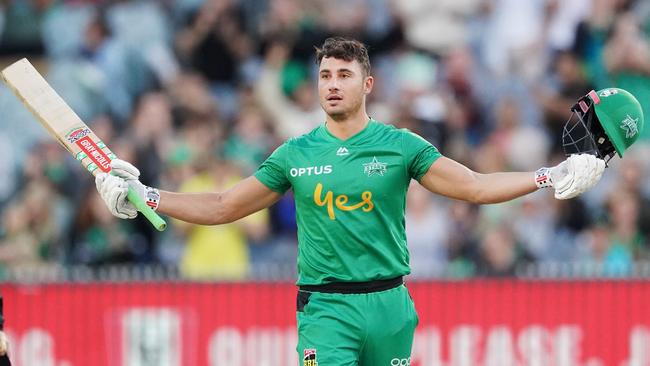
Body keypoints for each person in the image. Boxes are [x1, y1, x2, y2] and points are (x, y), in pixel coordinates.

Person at [95, 37, 642, 365]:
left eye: (344, 76)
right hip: (326, 308)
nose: (331, 85)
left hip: (390, 306)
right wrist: (149, 196)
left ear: (368, 84)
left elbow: (474, 186)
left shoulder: (401, 146)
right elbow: (222, 205)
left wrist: (549, 175)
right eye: (325, 76)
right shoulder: (294, 154)